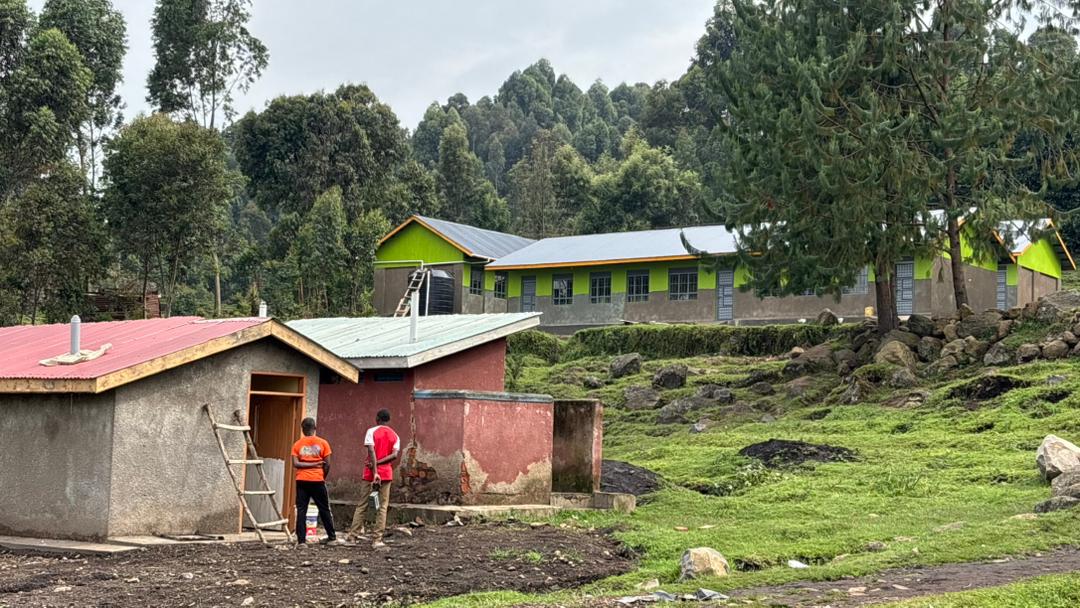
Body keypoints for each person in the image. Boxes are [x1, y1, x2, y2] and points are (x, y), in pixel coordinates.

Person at [348, 409, 400, 548]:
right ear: (388, 420)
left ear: (377, 418)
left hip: (370, 472)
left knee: (362, 504)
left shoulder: (371, 431)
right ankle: (377, 539)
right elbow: (394, 455)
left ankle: (353, 536)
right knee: (382, 506)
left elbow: (371, 450)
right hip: (386, 473)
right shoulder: (395, 435)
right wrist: (381, 463)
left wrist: (375, 467)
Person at [291, 417, 342, 545]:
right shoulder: (323, 443)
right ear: (315, 428)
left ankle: (301, 541)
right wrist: (320, 474)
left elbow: (296, 464)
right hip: (318, 480)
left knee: (301, 510)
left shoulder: (297, 444)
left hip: (302, 480)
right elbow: (328, 464)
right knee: (324, 508)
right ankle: (331, 537)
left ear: (302, 429)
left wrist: (307, 466)